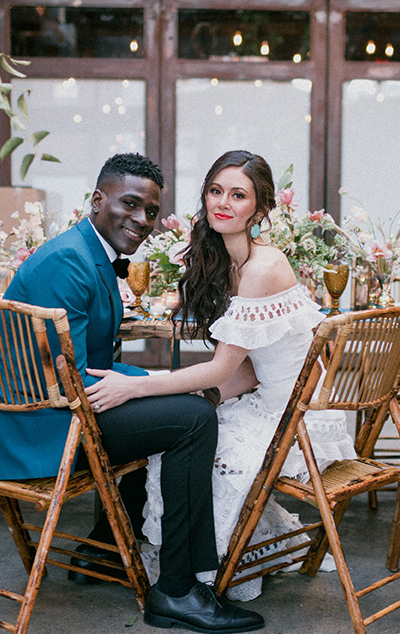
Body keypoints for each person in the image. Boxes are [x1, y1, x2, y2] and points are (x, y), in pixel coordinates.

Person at [0, 153, 264, 633]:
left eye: (151, 211)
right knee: (192, 419)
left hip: (44, 408)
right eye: (130, 204)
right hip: (33, 428)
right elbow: (74, 380)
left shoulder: (85, 251)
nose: (141, 220)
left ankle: (104, 553)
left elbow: (86, 367)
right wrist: (150, 389)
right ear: (97, 200)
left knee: (168, 404)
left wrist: (143, 385)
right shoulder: (68, 264)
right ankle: (177, 590)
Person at [87, 150, 356, 601]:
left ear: (260, 209)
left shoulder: (262, 268)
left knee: (185, 442)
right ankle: (117, 556)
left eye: (238, 195)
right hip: (266, 398)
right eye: (215, 191)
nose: (222, 203)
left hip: (299, 418)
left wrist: (133, 385)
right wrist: (204, 396)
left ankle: (195, 577)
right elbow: (249, 366)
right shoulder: (229, 263)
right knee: (176, 424)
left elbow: (222, 367)